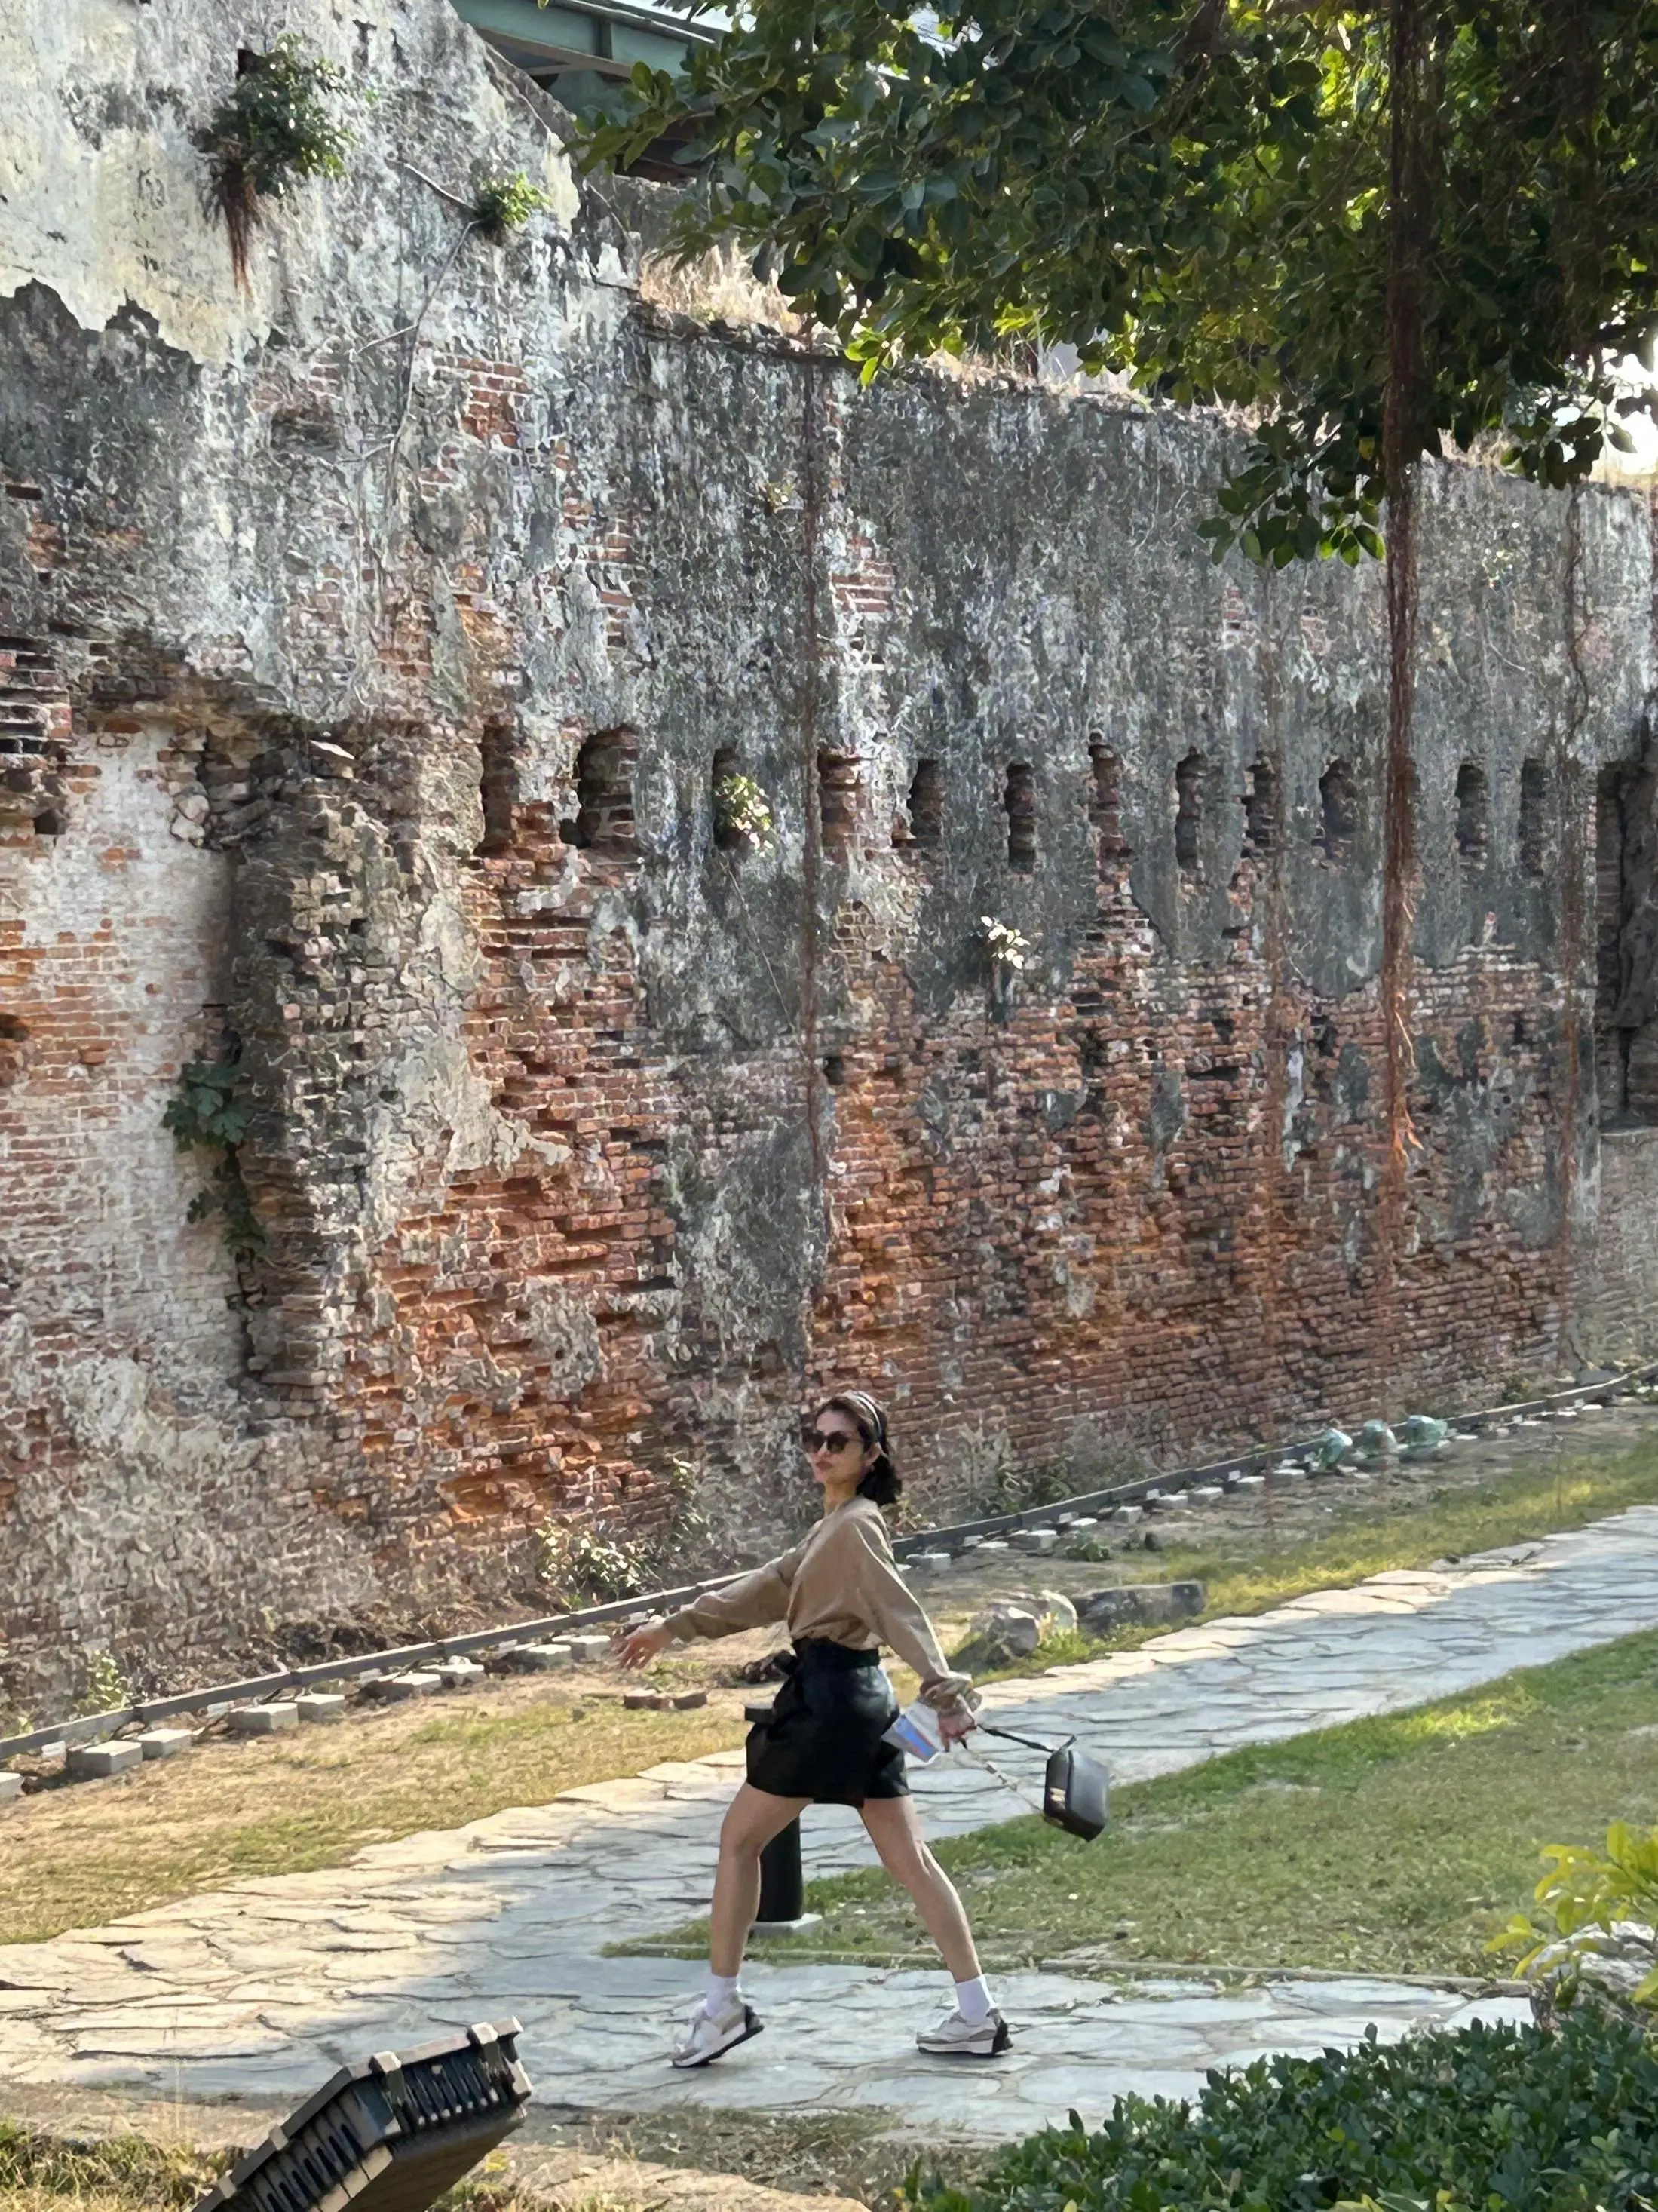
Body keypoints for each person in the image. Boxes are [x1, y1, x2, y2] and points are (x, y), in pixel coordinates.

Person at [615, 1389, 1011, 2067]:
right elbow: (765, 1587)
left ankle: (720, 2010)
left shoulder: (856, 1526)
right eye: (814, 1438)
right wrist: (673, 1626)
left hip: (828, 1704)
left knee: (738, 1841)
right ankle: (978, 2013)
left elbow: (898, 1610)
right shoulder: (833, 1525)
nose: (821, 1452)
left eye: (838, 1442)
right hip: (857, 1701)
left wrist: (946, 1691)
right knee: (910, 1862)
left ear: (870, 1455)